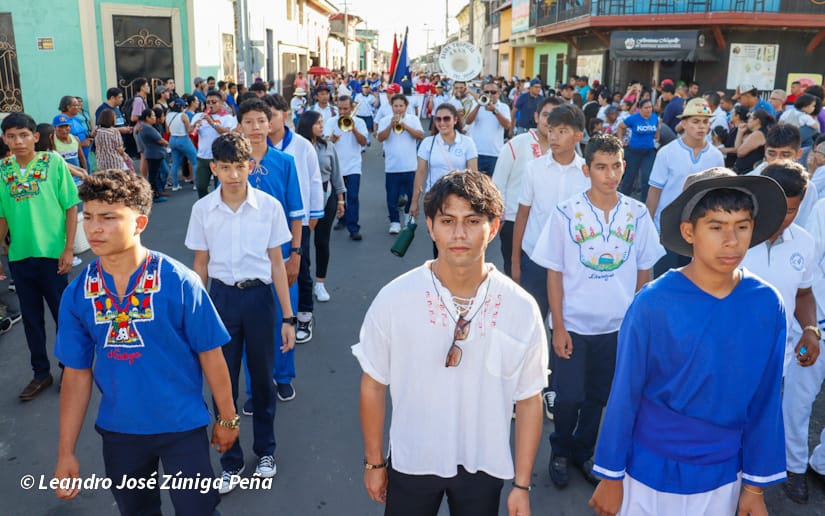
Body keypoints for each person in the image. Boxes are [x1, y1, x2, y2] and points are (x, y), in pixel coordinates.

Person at [589, 168, 789, 516]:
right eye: (716, 227)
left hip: (723, 472)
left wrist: (755, 487)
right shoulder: (653, 302)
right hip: (647, 469)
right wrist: (611, 475)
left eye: (742, 226)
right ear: (689, 232)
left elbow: (766, 398)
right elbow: (625, 392)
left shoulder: (767, 304)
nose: (732, 241)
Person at [354, 170, 547, 516]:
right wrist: (374, 463)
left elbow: (530, 399)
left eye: (473, 221)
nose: (459, 234)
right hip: (412, 460)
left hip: (483, 465)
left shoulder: (521, 307)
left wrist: (521, 484)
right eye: (447, 220)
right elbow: (373, 383)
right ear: (430, 227)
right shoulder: (394, 298)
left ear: (495, 226)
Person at [54, 169, 238, 514]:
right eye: (88, 216)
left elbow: (211, 355)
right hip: (120, 433)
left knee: (198, 510)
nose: (93, 228)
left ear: (139, 223)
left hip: (183, 427)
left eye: (108, 218)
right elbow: (76, 374)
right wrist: (66, 451)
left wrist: (227, 418)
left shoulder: (179, 282)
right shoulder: (77, 293)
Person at [531, 134, 664, 488]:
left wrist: (637, 323)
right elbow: (554, 272)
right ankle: (560, 449)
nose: (610, 174)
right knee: (569, 396)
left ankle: (582, 451)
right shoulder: (566, 213)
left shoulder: (637, 214)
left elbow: (644, 270)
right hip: (573, 324)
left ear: (624, 167)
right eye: (601, 167)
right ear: (586, 169)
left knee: (597, 398)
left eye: (616, 165)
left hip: (617, 328)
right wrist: (558, 326)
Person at [185, 133, 296, 492]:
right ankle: (230, 460)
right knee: (223, 383)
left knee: (262, 380)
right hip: (220, 300)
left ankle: (266, 450)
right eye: (225, 167)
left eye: (240, 167)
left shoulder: (269, 207)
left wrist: (288, 317)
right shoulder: (203, 209)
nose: (233, 175)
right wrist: (197, 314)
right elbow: (200, 265)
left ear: (252, 166)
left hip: (260, 299)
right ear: (214, 168)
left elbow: (277, 263)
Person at [0, 113, 79, 400]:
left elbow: (70, 206)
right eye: (11, 136)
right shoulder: (3, 170)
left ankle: (69, 369)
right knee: (32, 320)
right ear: (4, 139)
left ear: (35, 136)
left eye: (23, 135)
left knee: (64, 316)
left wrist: (68, 248)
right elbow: (2, 216)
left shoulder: (53, 162)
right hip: (20, 257)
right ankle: (41, 374)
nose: (18, 141)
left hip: (53, 256)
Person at [237, 98, 304, 405]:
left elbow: (296, 213)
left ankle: (283, 376)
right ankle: (255, 388)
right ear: (240, 126)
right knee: (253, 325)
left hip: (280, 253)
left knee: (282, 316)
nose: (255, 128)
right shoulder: (234, 166)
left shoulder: (285, 162)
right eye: (248, 122)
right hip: (246, 256)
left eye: (260, 121)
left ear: (271, 123)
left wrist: (296, 254)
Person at [264, 94, 324, 344]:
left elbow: (314, 180)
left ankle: (304, 315)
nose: (266, 123)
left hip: (296, 220)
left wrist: (314, 214)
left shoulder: (301, 145)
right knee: (268, 267)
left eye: (272, 116)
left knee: (300, 269)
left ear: (285, 115)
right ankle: (274, 314)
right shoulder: (256, 146)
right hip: (265, 221)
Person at [646, 98, 724, 277]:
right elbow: (654, 191)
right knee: (664, 278)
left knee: (694, 279)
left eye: (705, 121)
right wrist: (648, 225)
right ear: (684, 123)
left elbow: (718, 194)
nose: (701, 127)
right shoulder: (667, 153)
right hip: (667, 227)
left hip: (701, 228)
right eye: (695, 121)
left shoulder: (716, 157)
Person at [492, 96, 561, 277]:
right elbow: (497, 185)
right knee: (516, 279)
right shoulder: (516, 144)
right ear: (537, 117)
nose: (551, 121)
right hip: (515, 223)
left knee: (549, 282)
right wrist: (499, 220)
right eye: (546, 115)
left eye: (557, 116)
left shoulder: (565, 150)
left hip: (551, 226)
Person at [296, 110, 345, 303]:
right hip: (303, 197)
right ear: (308, 125)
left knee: (322, 241)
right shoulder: (298, 147)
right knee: (303, 242)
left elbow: (337, 175)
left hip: (327, 195)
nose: (321, 126)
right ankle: (303, 280)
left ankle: (320, 283)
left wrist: (340, 200)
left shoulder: (328, 146)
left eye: (322, 122)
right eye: (317, 123)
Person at [409, 103, 479, 227]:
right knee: (437, 241)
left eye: (446, 118)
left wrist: (473, 202)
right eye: (438, 119)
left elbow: (473, 174)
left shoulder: (467, 142)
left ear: (455, 120)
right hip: (434, 198)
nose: (442, 123)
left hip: (459, 199)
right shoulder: (428, 143)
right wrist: (414, 202)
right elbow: (420, 173)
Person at [376, 94, 425, 234]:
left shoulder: (413, 119)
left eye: (401, 106)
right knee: (392, 198)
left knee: (411, 195)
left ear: (406, 106)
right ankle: (394, 222)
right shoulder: (385, 120)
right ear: (391, 107)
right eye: (395, 106)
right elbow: (380, 138)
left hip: (410, 166)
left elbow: (420, 135)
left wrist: (405, 126)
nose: (398, 109)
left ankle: (408, 219)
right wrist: (390, 126)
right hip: (392, 167)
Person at [324, 95, 367, 241]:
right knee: (336, 199)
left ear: (352, 108)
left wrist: (353, 129)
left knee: (353, 197)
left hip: (353, 166)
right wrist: (331, 140)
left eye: (345, 109)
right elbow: (325, 142)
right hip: (336, 167)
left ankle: (353, 228)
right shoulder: (331, 122)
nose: (342, 112)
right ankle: (342, 219)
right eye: (340, 109)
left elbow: (363, 142)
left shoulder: (359, 122)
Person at [191, 90, 237, 198]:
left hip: (220, 157)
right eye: (208, 102)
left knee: (220, 187)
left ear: (221, 103)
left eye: (214, 102)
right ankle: (204, 207)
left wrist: (212, 123)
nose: (210, 105)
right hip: (203, 157)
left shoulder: (227, 118)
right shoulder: (199, 116)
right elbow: (189, 130)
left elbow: (227, 133)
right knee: (201, 186)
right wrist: (194, 126)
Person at [465, 81, 511, 177]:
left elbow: (507, 125)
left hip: (495, 153)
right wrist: (478, 105)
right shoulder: (477, 105)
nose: (489, 95)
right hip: (477, 152)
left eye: (493, 92)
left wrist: (494, 110)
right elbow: (468, 121)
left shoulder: (503, 107)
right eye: (486, 92)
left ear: (499, 93)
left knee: (492, 185)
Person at [617, 99, 659, 201]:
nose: (649, 110)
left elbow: (657, 127)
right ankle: (623, 200)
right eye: (646, 108)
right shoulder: (634, 118)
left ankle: (645, 202)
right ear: (640, 109)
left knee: (647, 177)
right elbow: (621, 126)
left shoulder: (654, 117)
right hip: (634, 151)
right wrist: (621, 140)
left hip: (649, 151)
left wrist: (657, 138)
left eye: (650, 107)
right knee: (629, 177)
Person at [136, 109, 169, 203]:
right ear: (147, 118)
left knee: (155, 174)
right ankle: (154, 195)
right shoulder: (147, 128)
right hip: (154, 154)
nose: (155, 118)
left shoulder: (144, 127)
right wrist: (166, 143)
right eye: (153, 116)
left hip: (153, 154)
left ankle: (156, 192)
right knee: (153, 176)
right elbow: (159, 140)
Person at [165, 98, 197, 192]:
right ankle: (196, 184)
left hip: (172, 139)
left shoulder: (168, 115)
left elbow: (167, 131)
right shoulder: (183, 115)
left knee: (175, 163)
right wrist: (195, 125)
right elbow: (189, 130)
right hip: (183, 139)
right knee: (195, 161)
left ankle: (175, 185)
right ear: (182, 107)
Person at [733, 109, 773, 175]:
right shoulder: (756, 132)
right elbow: (737, 149)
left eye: (750, 118)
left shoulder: (758, 133)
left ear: (757, 121)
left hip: (749, 172)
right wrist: (740, 132)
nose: (748, 120)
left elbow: (740, 152)